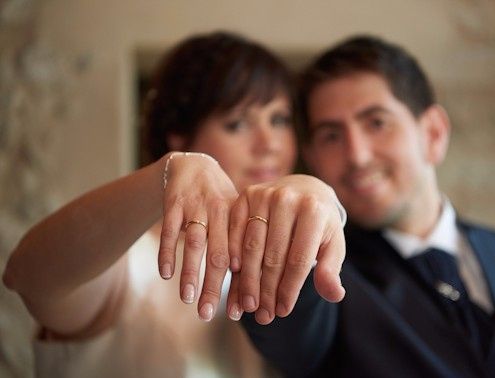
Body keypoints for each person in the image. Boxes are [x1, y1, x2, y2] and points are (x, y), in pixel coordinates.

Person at [2, 31, 346, 377]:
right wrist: (162, 175)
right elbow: (27, 276)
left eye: (279, 120)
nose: (269, 143)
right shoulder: (130, 257)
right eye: (237, 123)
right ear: (179, 136)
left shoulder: (299, 257)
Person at [239, 35, 495, 377]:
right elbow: (287, 338)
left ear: (433, 134)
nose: (358, 156)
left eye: (376, 123)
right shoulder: (324, 281)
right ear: (312, 158)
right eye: (331, 136)